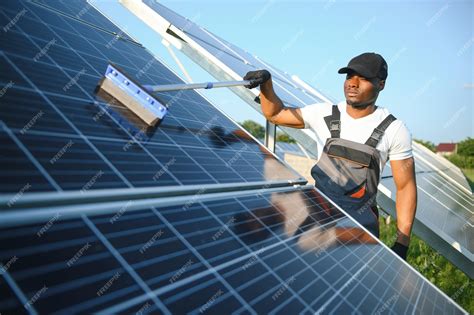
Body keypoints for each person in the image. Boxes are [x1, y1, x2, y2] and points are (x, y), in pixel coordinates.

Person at [243, 52, 417, 260]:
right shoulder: (323, 113)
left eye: (363, 78)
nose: (353, 83)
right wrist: (267, 85)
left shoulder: (394, 129)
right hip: (316, 217)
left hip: (360, 225)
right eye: (349, 76)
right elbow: (275, 114)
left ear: (381, 84)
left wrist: (402, 243)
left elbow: (405, 187)